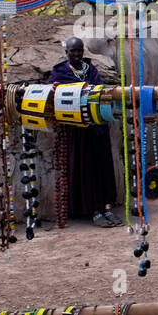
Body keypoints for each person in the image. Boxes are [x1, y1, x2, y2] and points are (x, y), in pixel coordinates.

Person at [48, 37, 122, 227]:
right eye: (73, 51)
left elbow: (98, 90)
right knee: (85, 168)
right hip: (77, 131)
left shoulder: (91, 70)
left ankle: (105, 207)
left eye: (80, 50)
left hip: (96, 127)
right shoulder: (60, 72)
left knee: (102, 168)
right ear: (67, 53)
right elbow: (53, 94)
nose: (77, 54)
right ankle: (92, 210)